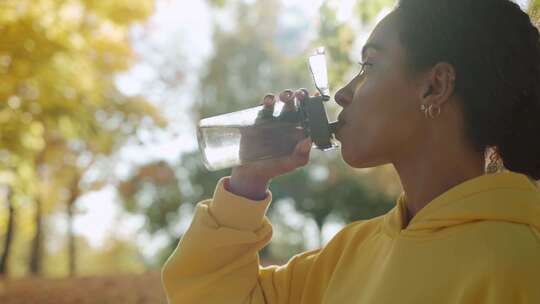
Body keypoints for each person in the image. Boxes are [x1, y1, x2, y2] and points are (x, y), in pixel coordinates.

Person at [162, 0, 540, 303]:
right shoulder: (350, 252)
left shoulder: (516, 264)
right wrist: (247, 182)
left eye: (369, 66)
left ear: (434, 86)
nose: (343, 94)